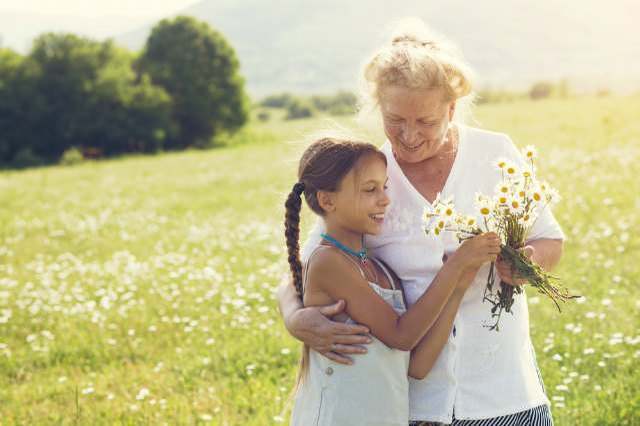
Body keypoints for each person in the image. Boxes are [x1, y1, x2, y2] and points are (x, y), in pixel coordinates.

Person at [278, 18, 565, 426]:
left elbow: (551, 240)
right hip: (413, 404)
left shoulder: (495, 154)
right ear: (379, 107)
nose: (409, 135)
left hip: (504, 392)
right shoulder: (366, 177)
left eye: (426, 122)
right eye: (395, 120)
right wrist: (295, 318)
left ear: (452, 109)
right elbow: (307, 264)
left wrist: (527, 261)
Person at [285, 137, 501, 425]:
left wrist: (459, 285)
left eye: (384, 187)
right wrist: (456, 265)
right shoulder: (328, 261)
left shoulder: (381, 271)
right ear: (327, 200)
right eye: (370, 189)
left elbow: (417, 366)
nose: (385, 199)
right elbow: (402, 335)